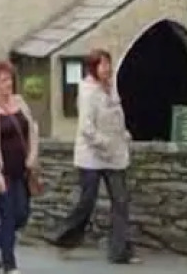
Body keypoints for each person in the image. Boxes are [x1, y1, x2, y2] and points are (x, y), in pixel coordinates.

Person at [47, 48, 132, 263]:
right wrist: (104, 143)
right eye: (103, 65)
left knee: (121, 201)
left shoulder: (111, 88)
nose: (107, 69)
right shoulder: (87, 91)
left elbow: (117, 115)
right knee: (87, 201)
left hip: (115, 156)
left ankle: (119, 251)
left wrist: (123, 134)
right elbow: (87, 127)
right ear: (93, 68)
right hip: (91, 156)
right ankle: (63, 236)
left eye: (108, 64)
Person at [0, 60, 39, 274]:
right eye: (3, 80)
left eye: (9, 79)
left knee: (21, 215)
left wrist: (32, 156)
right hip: (2, 174)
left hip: (21, 171)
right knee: (8, 217)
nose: (8, 84)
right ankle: (9, 265)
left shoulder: (20, 103)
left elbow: (33, 130)